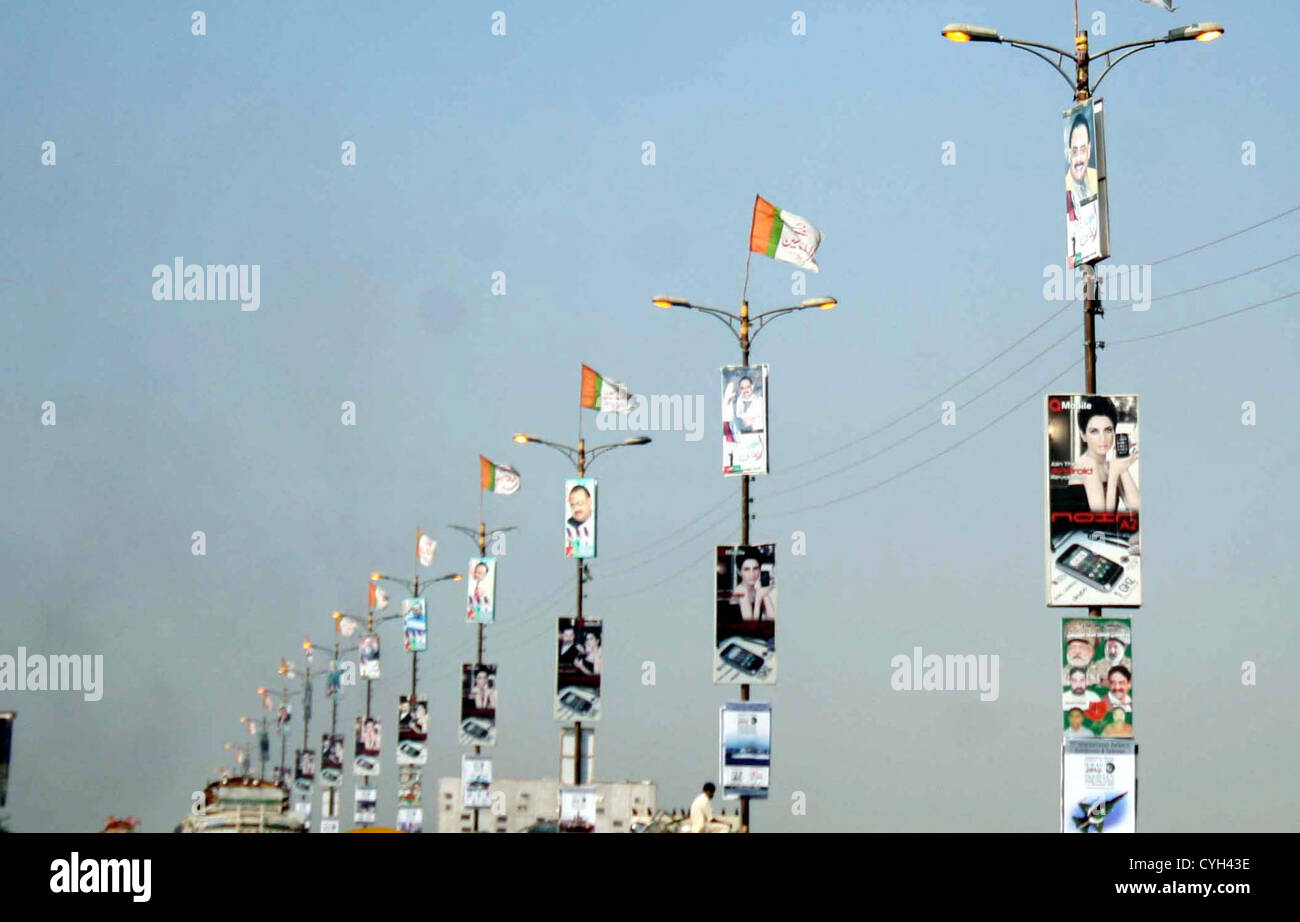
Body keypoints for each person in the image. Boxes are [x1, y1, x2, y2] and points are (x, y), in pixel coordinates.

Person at [1065, 397, 1140, 514]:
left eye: (1108, 430)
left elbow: (1136, 506)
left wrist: (1122, 466)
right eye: (1094, 431)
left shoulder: (1111, 465)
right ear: (1083, 435)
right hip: (1083, 531)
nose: (1102, 438)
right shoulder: (1087, 464)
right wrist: (1114, 474)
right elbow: (1103, 519)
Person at [731, 555, 775, 621]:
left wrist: (764, 593)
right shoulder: (741, 591)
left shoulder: (756, 589)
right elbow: (751, 627)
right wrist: (758, 598)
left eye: (755, 569)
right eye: (747, 569)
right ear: (739, 572)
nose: (752, 574)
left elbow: (772, 619)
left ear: (760, 570)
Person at [565, 484, 595, 556]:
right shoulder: (570, 525)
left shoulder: (592, 524)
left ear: (589, 501)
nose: (576, 509)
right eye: (573, 505)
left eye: (580, 503)